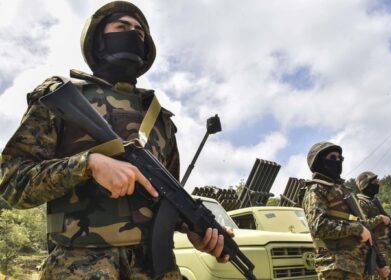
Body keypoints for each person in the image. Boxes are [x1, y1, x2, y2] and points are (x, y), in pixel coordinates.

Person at [0, 1, 231, 279]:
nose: (132, 34)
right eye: (121, 27)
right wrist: (89, 165)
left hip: (157, 269)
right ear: (99, 40)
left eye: (140, 33)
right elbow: (10, 180)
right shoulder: (62, 99)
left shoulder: (160, 121)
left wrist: (196, 229)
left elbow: (165, 197)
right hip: (79, 268)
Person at [302, 141, 390, 280]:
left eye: (340, 158)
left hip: (360, 266)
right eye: (332, 158)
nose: (337, 161)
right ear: (319, 162)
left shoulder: (343, 191)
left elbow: (365, 228)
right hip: (337, 267)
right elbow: (318, 226)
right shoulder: (316, 189)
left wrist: (378, 263)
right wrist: (357, 228)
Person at [355, 171, 391, 280]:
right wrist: (380, 218)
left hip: (387, 246)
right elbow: (362, 225)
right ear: (365, 184)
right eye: (374, 181)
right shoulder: (361, 202)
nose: (377, 183)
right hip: (378, 249)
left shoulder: (374, 200)